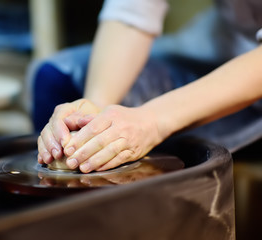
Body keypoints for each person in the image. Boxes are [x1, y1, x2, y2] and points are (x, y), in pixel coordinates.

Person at [23, 0, 262, 173]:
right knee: (56, 78)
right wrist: (96, 108)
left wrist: (153, 121)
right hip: (223, 45)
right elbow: (133, 10)